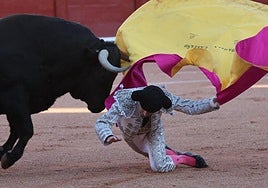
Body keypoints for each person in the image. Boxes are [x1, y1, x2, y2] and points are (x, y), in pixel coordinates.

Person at [95, 85, 220, 172]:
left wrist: (211, 104)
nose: (145, 114)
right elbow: (102, 122)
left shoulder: (164, 97)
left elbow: (189, 106)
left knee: (159, 166)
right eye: (144, 109)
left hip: (154, 131)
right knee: (151, 155)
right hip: (132, 136)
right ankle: (167, 152)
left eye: (150, 112)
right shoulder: (126, 101)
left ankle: (184, 158)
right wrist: (108, 135)